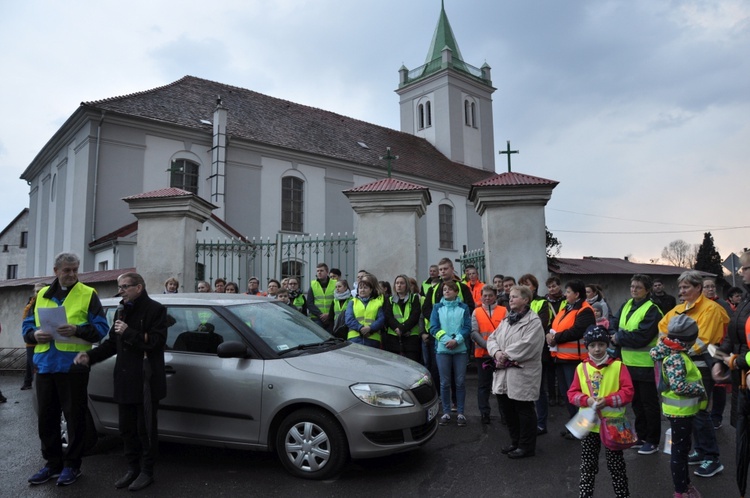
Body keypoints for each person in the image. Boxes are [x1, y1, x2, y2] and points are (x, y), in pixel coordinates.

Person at [74, 272, 168, 491]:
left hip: (146, 381)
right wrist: (90, 357)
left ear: (139, 287)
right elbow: (111, 343)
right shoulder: (120, 310)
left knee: (145, 429)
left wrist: (130, 333)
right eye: (120, 287)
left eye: (126, 286)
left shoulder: (156, 310)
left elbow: (156, 342)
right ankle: (132, 468)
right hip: (124, 380)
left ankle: (147, 471)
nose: (122, 291)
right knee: (127, 429)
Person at [22, 252, 109, 487]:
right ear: (56, 271)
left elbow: (101, 328)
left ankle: (72, 465)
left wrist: (78, 330)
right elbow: (27, 326)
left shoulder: (88, 294)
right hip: (45, 364)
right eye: (67, 270)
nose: (71, 274)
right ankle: (52, 464)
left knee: (74, 417)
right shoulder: (41, 294)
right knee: (47, 417)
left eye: (74, 270)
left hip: (74, 365)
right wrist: (34, 335)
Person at [658, 270, 730, 478]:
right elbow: (662, 329)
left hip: (700, 367)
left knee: (699, 413)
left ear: (698, 287)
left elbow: (703, 340)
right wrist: (671, 345)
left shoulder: (711, 309)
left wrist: (673, 348)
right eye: (680, 288)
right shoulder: (679, 309)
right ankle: (700, 451)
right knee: (690, 412)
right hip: (682, 365)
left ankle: (712, 458)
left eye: (686, 287)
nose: (682, 291)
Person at [568, 326, 634, 497]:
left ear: (606, 345)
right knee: (587, 465)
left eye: (601, 345)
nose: (597, 349)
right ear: (587, 347)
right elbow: (572, 394)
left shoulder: (619, 366)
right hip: (588, 425)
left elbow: (628, 392)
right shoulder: (581, 368)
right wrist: (586, 400)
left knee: (616, 465)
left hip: (614, 423)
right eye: (592, 345)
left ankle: (622, 495)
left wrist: (608, 400)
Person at [651, 314, 706, 498]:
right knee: (679, 454)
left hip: (680, 411)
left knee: (681, 450)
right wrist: (699, 389)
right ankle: (681, 491)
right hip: (680, 412)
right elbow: (679, 386)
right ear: (687, 340)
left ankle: (684, 485)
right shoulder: (677, 358)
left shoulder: (671, 351)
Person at [487, 285, 544, 457]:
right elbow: (492, 338)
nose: (510, 299)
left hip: (522, 373)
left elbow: (527, 345)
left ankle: (526, 446)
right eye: (510, 296)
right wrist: (496, 352)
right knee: (507, 409)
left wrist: (504, 356)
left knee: (523, 409)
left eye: (515, 296)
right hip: (504, 372)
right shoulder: (507, 320)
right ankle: (515, 441)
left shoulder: (533, 322)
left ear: (526, 300)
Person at [609, 273, 663, 456]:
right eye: (632, 286)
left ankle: (653, 440)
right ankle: (641, 436)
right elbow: (613, 323)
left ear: (647, 290)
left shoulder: (652, 309)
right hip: (627, 364)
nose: (634, 290)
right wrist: (615, 334)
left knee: (649, 405)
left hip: (646, 365)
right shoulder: (626, 305)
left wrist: (618, 337)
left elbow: (642, 337)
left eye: (638, 287)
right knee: (637, 404)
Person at [718, 250, 750, 496]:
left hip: (744, 374)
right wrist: (722, 358)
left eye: (746, 268)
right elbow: (733, 336)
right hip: (743, 386)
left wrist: (739, 360)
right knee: (743, 443)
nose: (741, 272)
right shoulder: (746, 302)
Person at [547, 279, 596, 433]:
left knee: (577, 395)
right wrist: (549, 334)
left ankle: (582, 428)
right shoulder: (566, 308)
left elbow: (577, 330)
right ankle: (574, 426)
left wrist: (556, 338)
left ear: (577, 294)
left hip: (574, 360)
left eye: (568, 292)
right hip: (561, 358)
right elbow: (554, 325)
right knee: (567, 393)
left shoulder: (585, 310)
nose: (566, 294)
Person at [430, 280, 471, 427]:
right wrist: (448, 340)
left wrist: (457, 340)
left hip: (460, 350)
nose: (446, 291)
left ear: (456, 292)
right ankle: (446, 412)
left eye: (449, 289)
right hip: (442, 350)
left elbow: (467, 326)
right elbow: (433, 327)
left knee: (460, 382)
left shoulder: (463, 307)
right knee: (445, 382)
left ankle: (460, 412)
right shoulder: (437, 307)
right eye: (444, 289)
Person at [517, 273, 553, 435]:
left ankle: (541, 423)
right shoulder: (518, 304)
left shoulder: (542, 303)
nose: (525, 288)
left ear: (535, 287)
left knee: (539, 390)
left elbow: (539, 325)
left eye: (527, 285)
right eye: (521, 285)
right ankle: (528, 421)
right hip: (522, 352)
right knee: (524, 388)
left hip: (539, 353)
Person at [471, 284, 507, 424]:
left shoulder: (503, 310)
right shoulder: (476, 311)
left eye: (490, 295)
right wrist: (490, 347)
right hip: (483, 354)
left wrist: (496, 350)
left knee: (501, 386)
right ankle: (484, 413)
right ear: (481, 297)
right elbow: (474, 332)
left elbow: (507, 331)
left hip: (500, 355)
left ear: (495, 296)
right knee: (484, 386)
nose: (487, 298)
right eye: (485, 296)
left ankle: (505, 415)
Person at [702, 277, 731, 429]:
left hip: (719, 348)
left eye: (712, 286)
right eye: (707, 286)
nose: (710, 289)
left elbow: (730, 328)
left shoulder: (723, 305)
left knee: (719, 384)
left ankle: (716, 417)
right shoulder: (698, 305)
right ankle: (703, 415)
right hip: (702, 349)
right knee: (704, 383)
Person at [383, 274, 422, 363]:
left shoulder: (414, 298)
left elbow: (415, 315)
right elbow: (388, 317)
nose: (399, 285)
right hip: (394, 337)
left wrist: (402, 329)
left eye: (402, 283)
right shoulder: (390, 299)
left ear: (407, 285)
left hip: (411, 337)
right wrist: (398, 329)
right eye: (397, 283)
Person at [344, 273, 385, 348]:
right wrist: (360, 328)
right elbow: (348, 319)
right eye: (360, 288)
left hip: (373, 339)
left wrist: (370, 328)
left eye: (365, 288)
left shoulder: (377, 303)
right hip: (354, 338)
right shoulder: (352, 302)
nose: (362, 290)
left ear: (370, 290)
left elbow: (381, 319)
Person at [21, 282, 47, 390]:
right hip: (32, 341)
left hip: (43, 341)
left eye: (41, 290)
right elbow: (26, 323)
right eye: (37, 291)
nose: (38, 293)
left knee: (30, 363)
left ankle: (27, 383)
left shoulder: (47, 303)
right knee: (33, 366)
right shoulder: (30, 306)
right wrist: (34, 333)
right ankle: (34, 387)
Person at [308, 263, 336, 329]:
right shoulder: (313, 284)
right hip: (317, 318)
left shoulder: (335, 283)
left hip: (331, 317)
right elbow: (309, 303)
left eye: (321, 271)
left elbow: (337, 301)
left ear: (327, 272)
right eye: (318, 271)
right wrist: (320, 315)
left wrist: (329, 314)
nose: (319, 273)